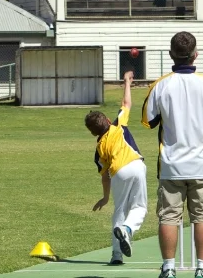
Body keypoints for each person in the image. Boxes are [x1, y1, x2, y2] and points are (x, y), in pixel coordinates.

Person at [143, 31, 203, 278]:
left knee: (169, 217)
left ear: (171, 54)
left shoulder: (159, 86)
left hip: (171, 166)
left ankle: (168, 268)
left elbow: (149, 121)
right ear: (195, 55)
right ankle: (202, 269)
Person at [85, 70, 148, 266]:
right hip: (136, 165)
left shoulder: (99, 147)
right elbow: (127, 103)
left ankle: (116, 255)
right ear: (106, 120)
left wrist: (105, 197)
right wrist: (127, 82)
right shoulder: (118, 125)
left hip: (118, 173)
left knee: (119, 211)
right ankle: (128, 230)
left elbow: (105, 176)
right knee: (139, 207)